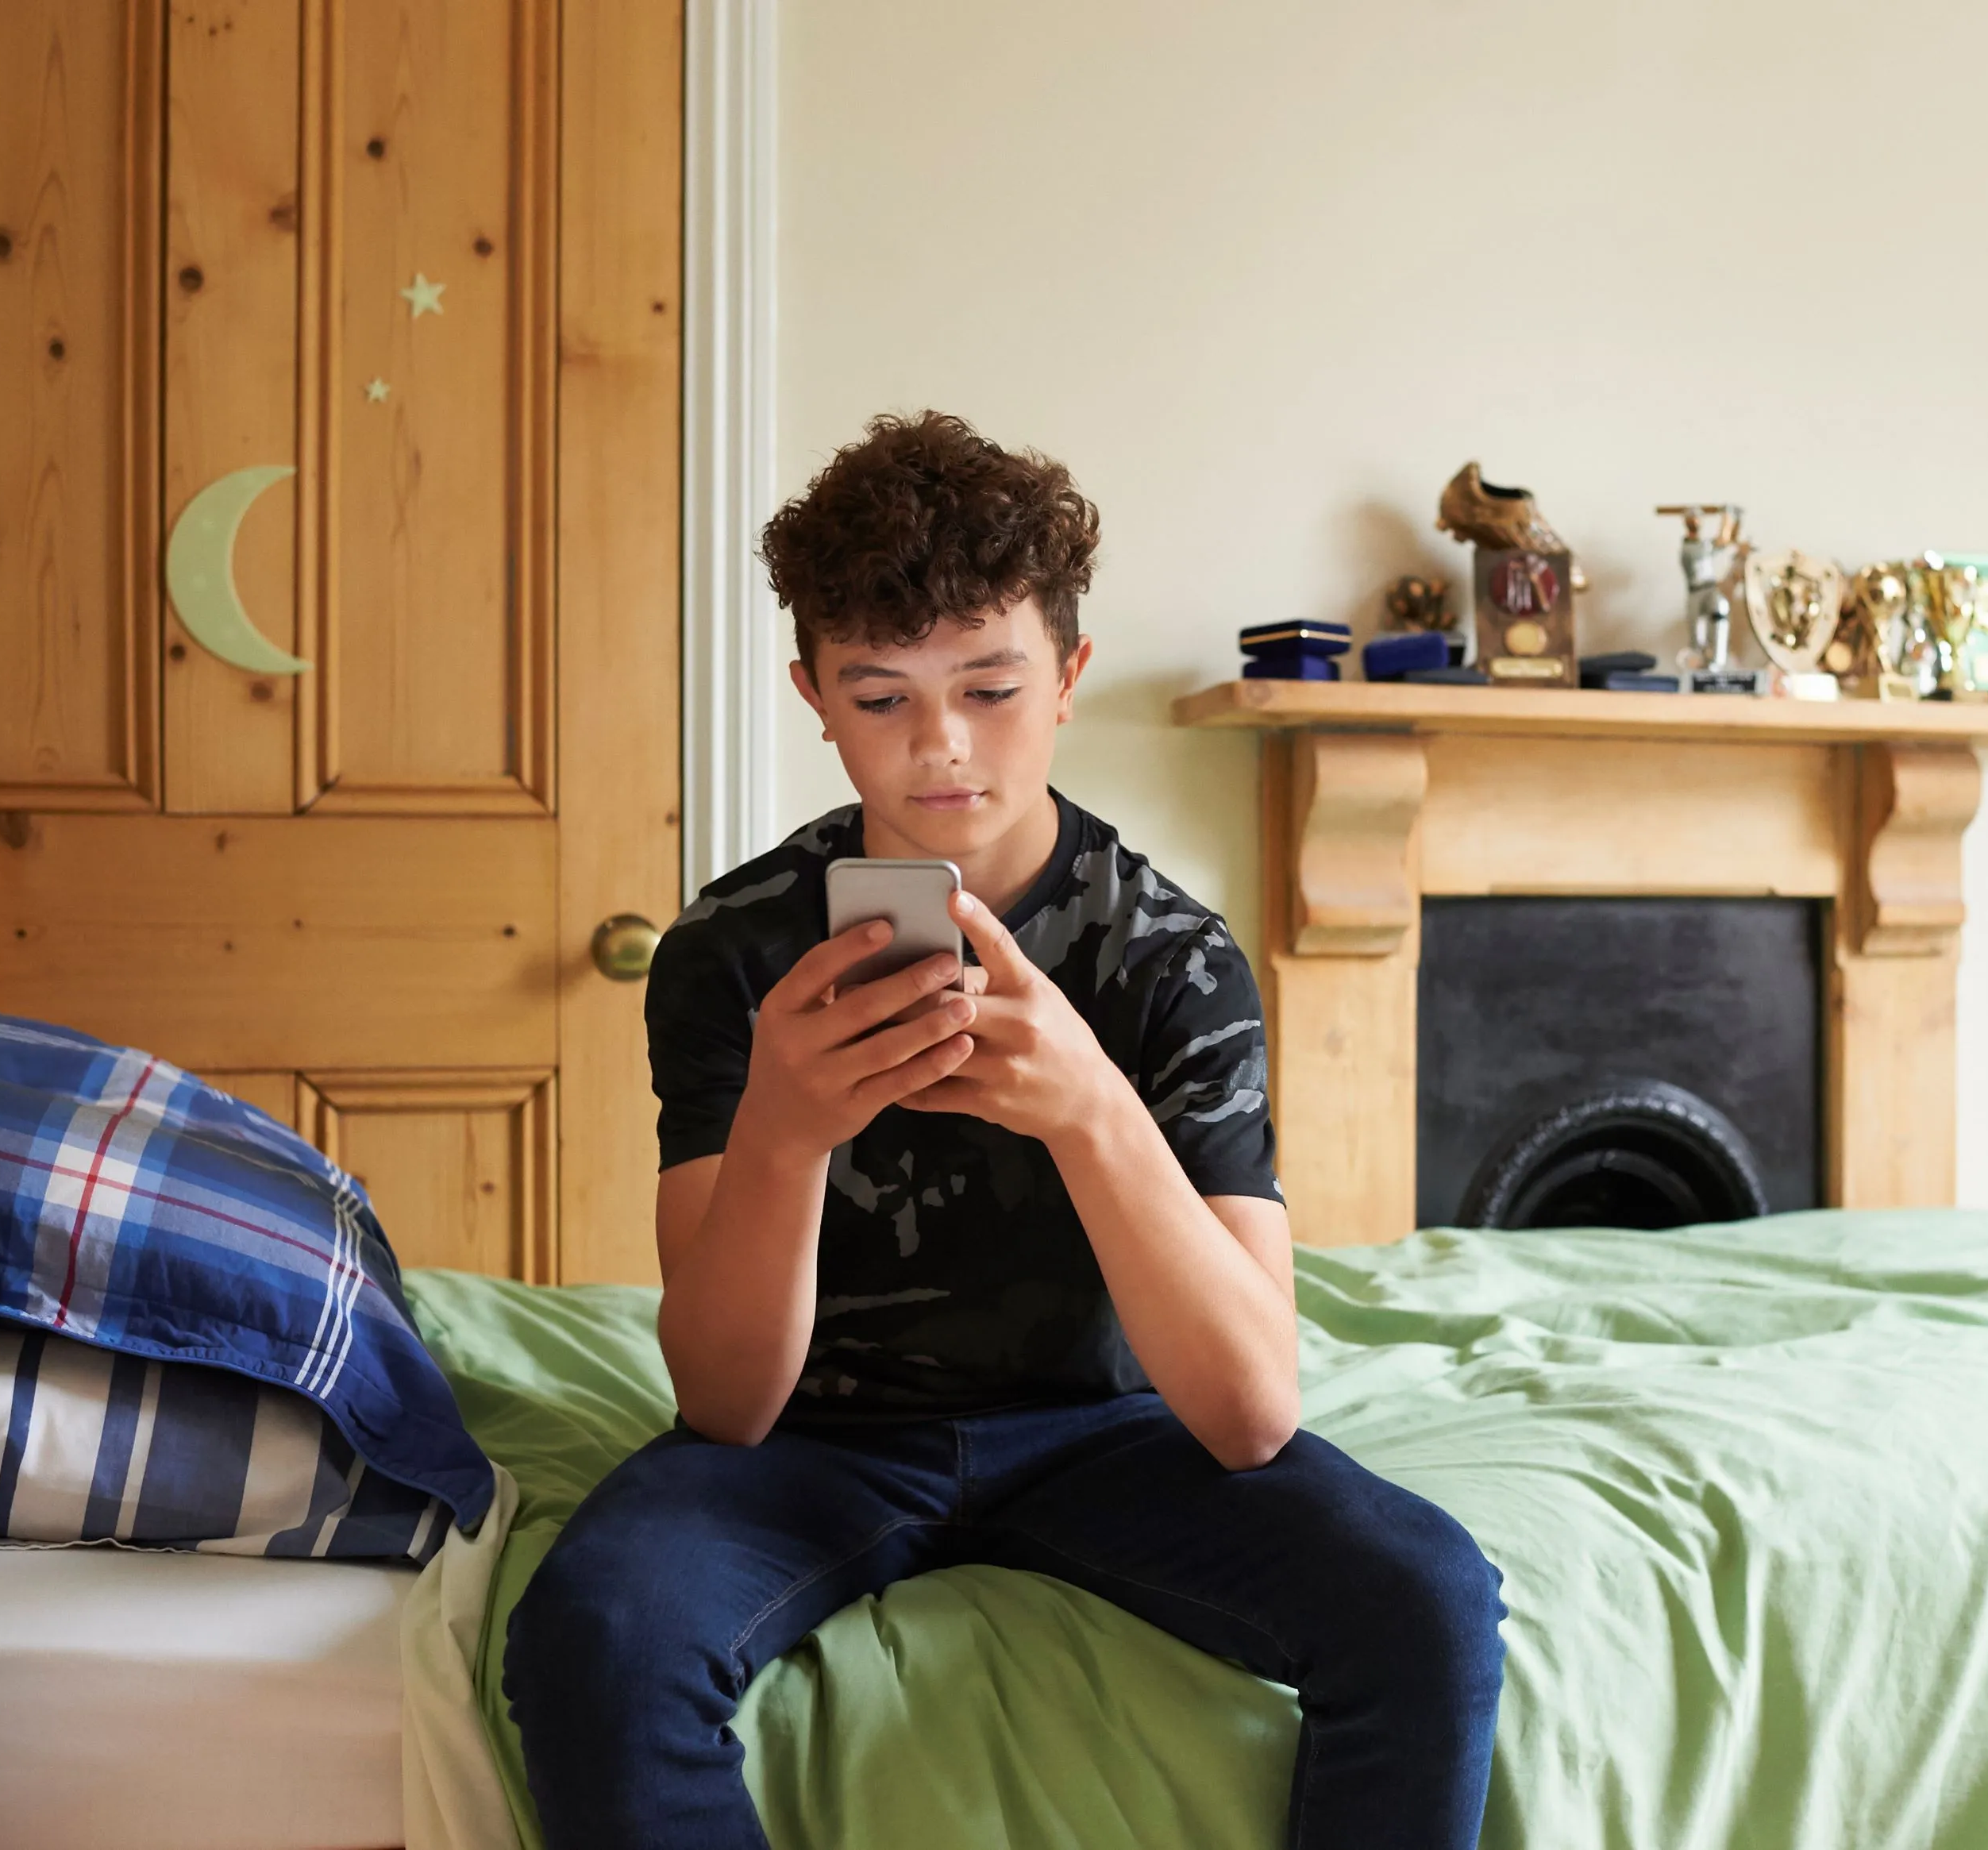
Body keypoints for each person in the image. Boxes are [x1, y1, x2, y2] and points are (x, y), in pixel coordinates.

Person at [503, 411, 1508, 1849]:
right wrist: (785, 1132)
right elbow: (726, 1403)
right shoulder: (729, 953)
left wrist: (1093, 1107)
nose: (941, 749)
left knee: (1429, 1600)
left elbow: (1250, 1408)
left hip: (1117, 1426)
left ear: (1069, 676)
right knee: (593, 1635)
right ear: (812, 696)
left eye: (989, 686)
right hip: (816, 1437)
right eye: (881, 696)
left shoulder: (1172, 957)